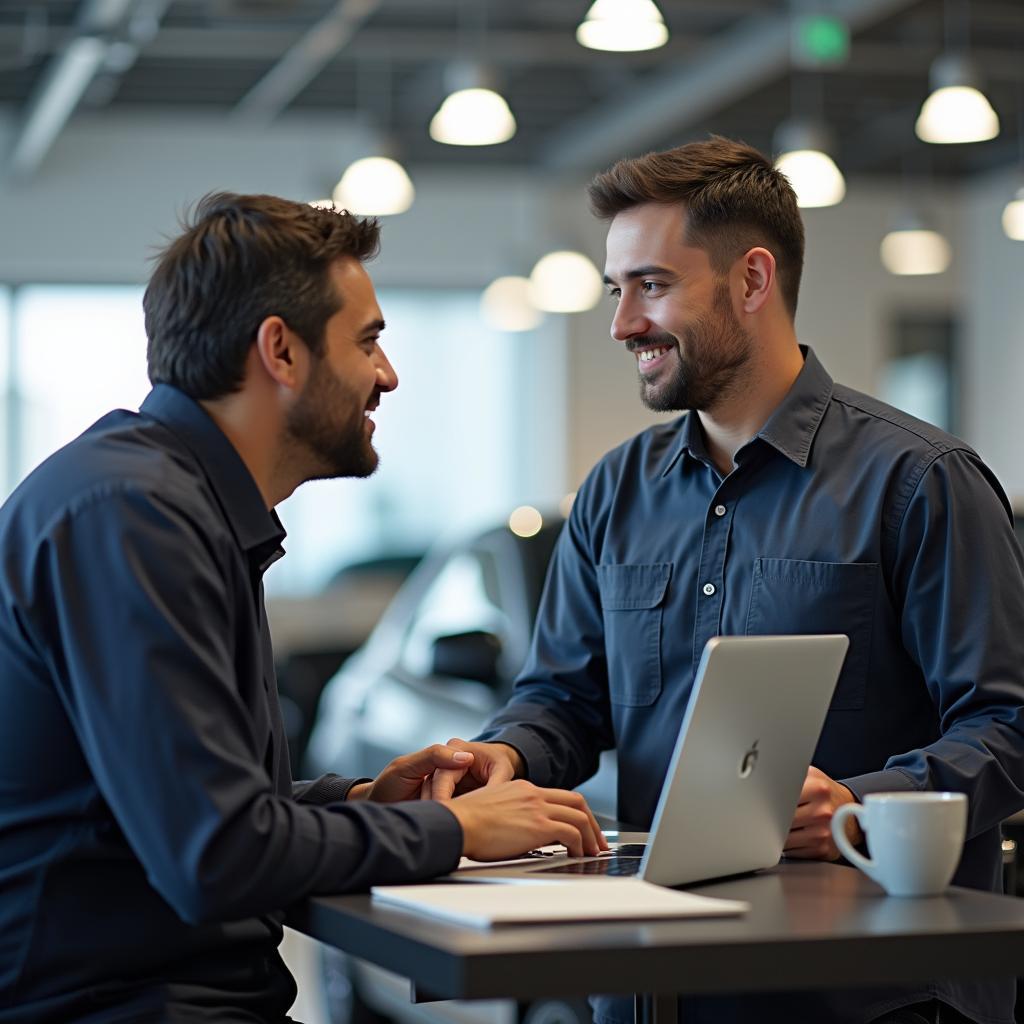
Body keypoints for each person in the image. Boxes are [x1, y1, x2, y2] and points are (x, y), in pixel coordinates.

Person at [429, 138, 1024, 1024]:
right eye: (615, 290)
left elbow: (1007, 722)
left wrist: (864, 806)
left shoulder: (919, 481)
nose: (623, 323)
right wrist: (504, 754)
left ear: (752, 280)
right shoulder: (614, 493)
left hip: (873, 997)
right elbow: (563, 697)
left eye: (652, 286)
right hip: (658, 988)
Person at [0, 193, 606, 1024]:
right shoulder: (130, 514)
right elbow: (212, 853)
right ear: (280, 351)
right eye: (368, 341)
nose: (387, 374)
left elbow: (206, 806)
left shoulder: (176, 502)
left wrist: (364, 804)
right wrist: (457, 831)